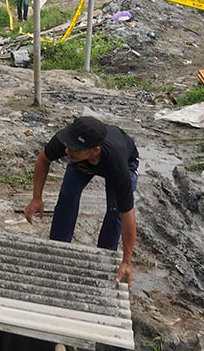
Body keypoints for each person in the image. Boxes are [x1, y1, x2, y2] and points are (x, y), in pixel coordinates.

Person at [23, 116, 138, 284]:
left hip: (124, 162)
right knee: (67, 196)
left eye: (75, 149)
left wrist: (127, 261)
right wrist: (36, 197)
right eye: (68, 146)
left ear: (94, 150)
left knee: (115, 210)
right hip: (84, 162)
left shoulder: (117, 164)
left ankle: (104, 260)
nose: (68, 152)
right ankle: (58, 250)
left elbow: (126, 213)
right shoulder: (68, 145)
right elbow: (43, 159)